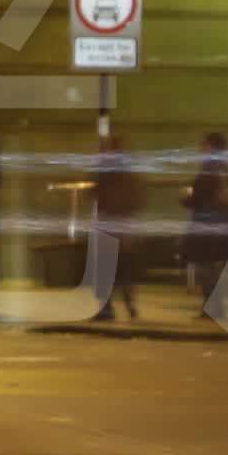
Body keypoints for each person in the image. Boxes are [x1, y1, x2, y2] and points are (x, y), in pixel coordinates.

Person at [88, 138, 146, 322]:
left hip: (113, 224)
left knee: (110, 268)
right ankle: (128, 307)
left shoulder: (110, 173)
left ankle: (111, 309)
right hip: (122, 225)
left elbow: (97, 193)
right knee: (122, 268)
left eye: (105, 151)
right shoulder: (127, 173)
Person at [180, 131, 228, 317]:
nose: (200, 148)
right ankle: (212, 307)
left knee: (206, 268)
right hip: (220, 223)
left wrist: (185, 197)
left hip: (207, 226)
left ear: (211, 146)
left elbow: (198, 198)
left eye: (204, 144)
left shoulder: (209, 169)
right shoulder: (222, 168)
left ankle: (214, 308)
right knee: (209, 267)